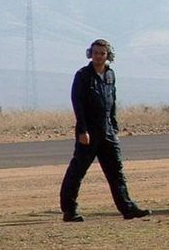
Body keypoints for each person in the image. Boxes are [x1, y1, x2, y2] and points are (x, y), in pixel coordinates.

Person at [59, 39, 151, 222]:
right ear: (90, 54)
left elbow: (112, 101)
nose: (98, 56)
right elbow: (78, 104)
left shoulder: (110, 75)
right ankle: (69, 210)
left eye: (102, 53)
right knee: (77, 172)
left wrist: (114, 126)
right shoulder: (83, 75)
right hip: (89, 133)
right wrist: (82, 130)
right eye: (95, 53)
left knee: (116, 172)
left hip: (108, 131)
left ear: (108, 55)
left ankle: (127, 208)